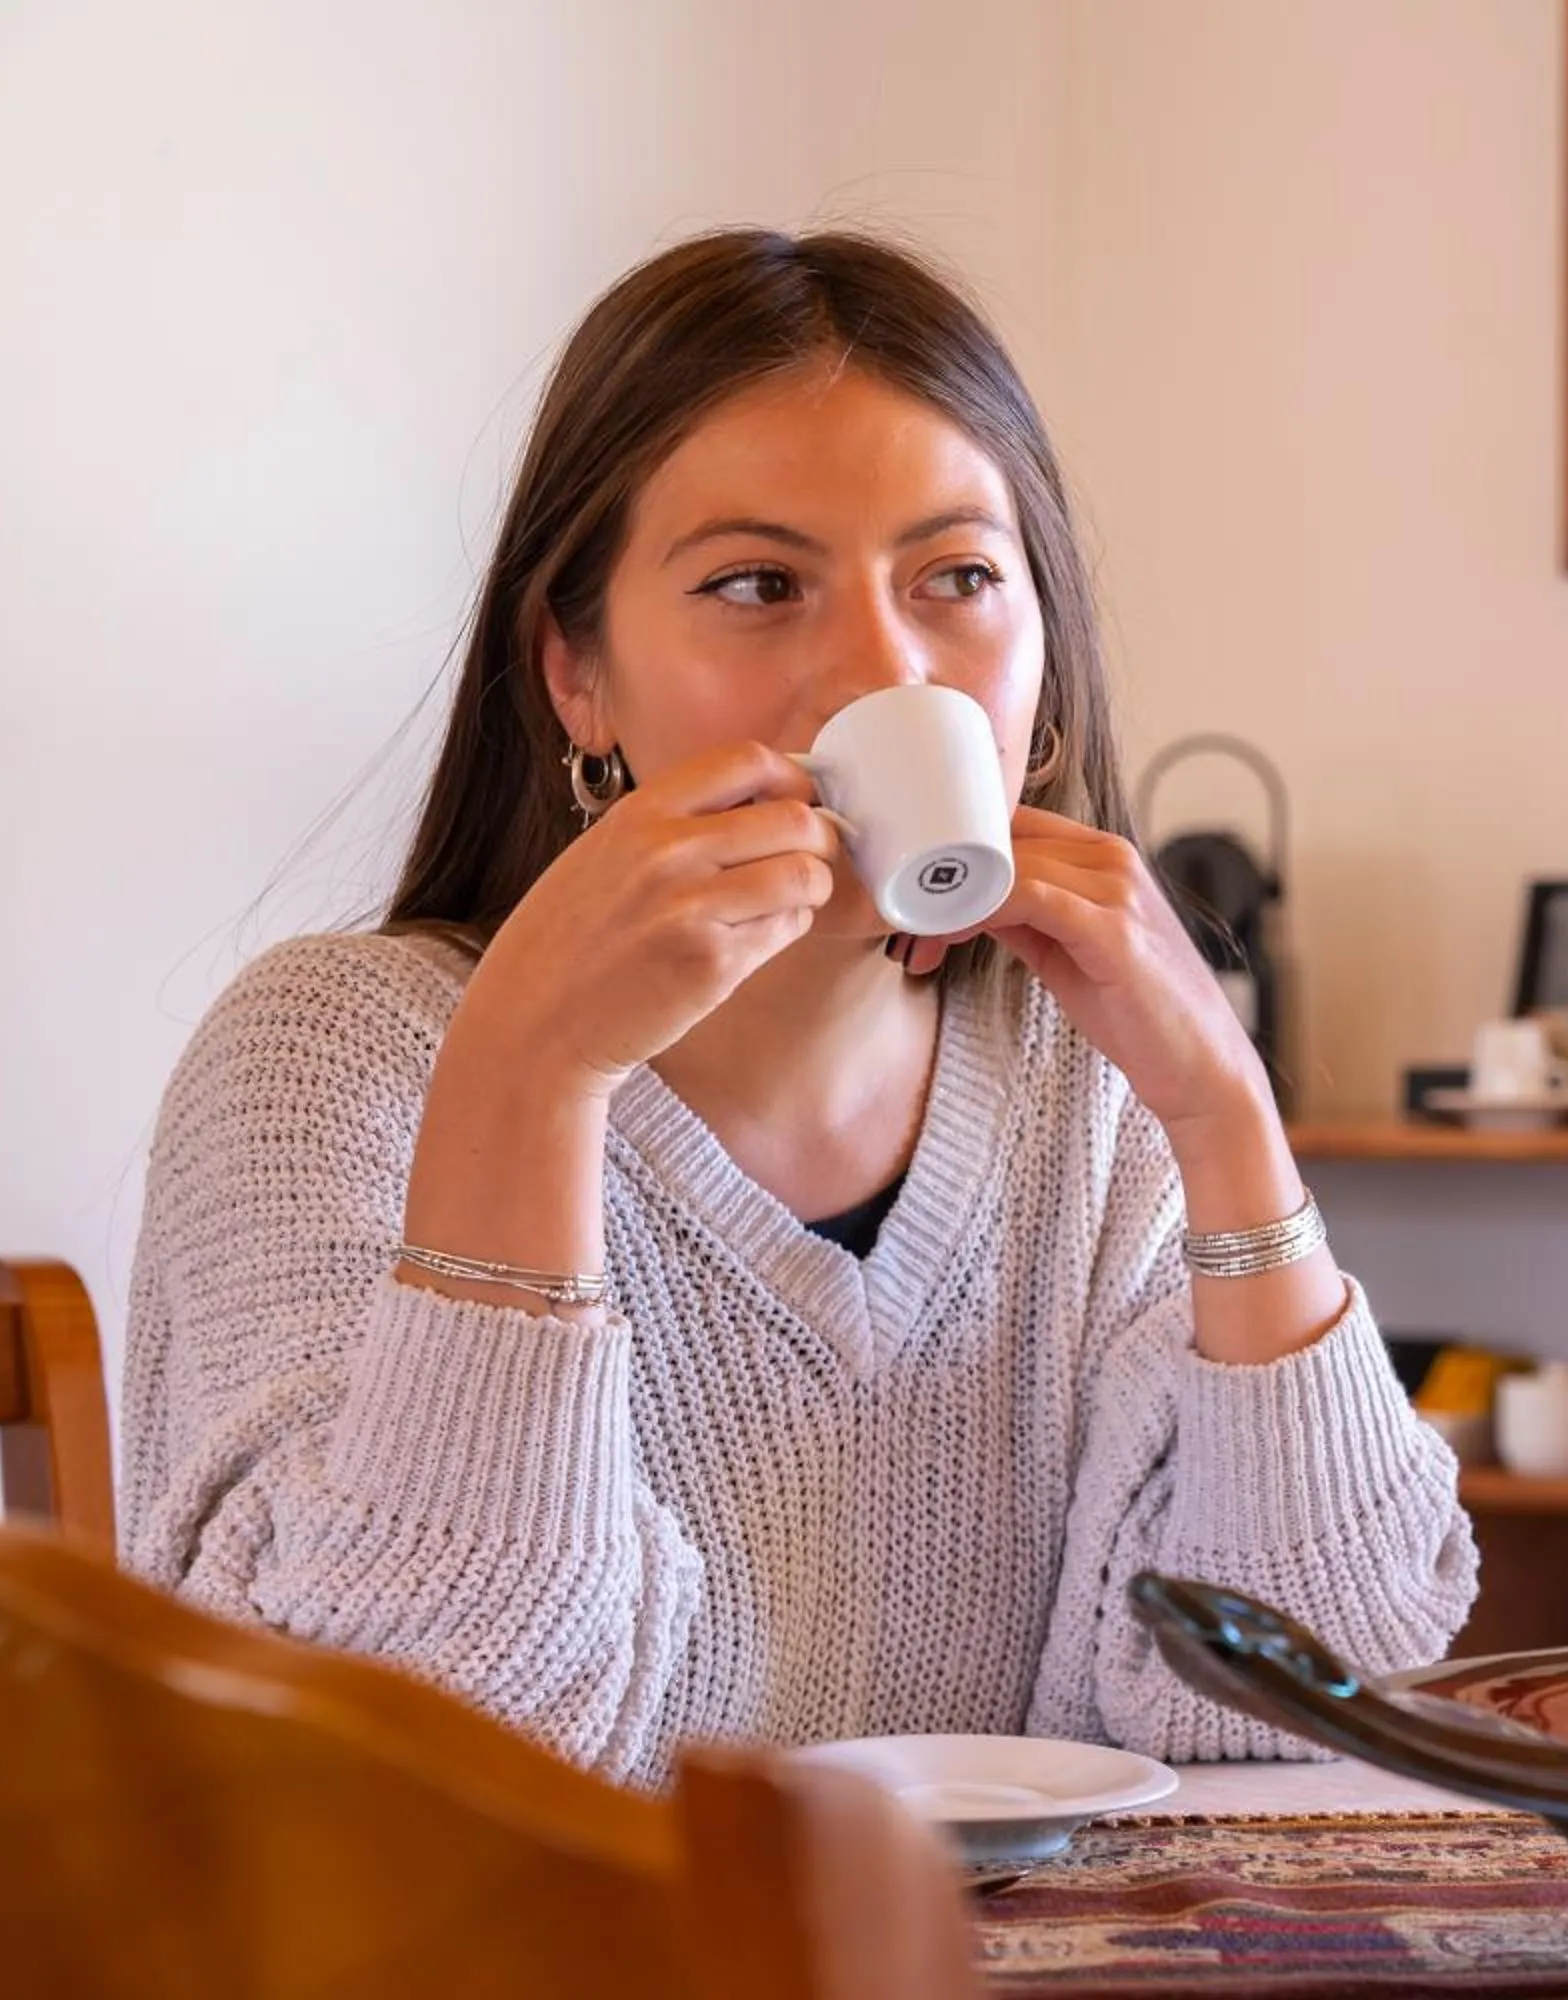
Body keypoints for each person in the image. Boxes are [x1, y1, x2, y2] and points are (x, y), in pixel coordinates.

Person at [119, 228, 1477, 1788]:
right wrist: (533, 1071)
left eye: (958, 578)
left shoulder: (1076, 1086)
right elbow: (415, 1777)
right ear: (578, 678)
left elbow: (1307, 1698)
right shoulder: (330, 1058)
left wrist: (1229, 1122)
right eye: (758, 585)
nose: (884, 672)